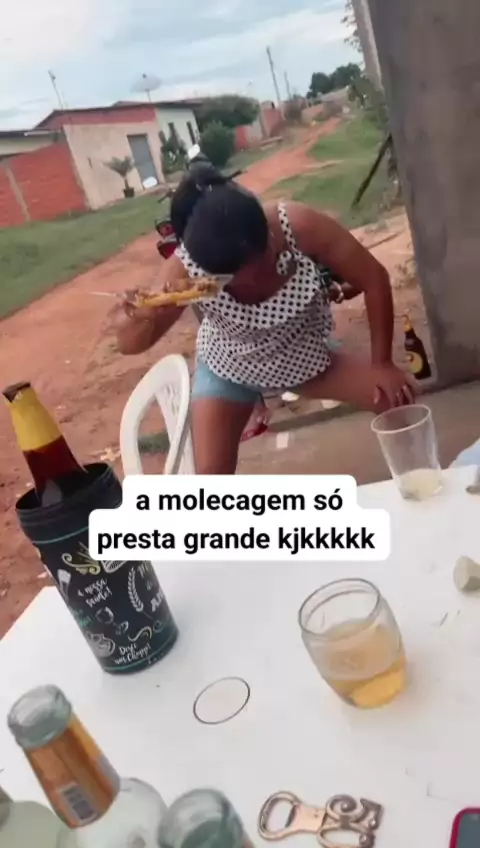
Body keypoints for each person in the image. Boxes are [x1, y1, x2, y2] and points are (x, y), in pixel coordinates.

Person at [112, 164, 416, 474]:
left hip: (303, 360)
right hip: (228, 367)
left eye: (262, 266)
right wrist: (139, 317)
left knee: (397, 400)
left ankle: (417, 479)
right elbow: (129, 344)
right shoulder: (186, 267)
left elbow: (373, 278)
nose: (254, 282)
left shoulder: (298, 225)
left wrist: (382, 364)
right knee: (211, 479)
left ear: (268, 235)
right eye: (235, 280)